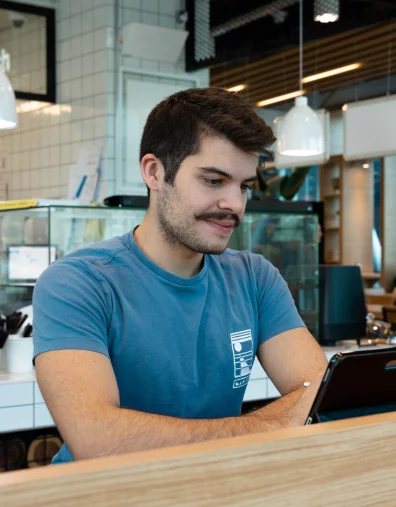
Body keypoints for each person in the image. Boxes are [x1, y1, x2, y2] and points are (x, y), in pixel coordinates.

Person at [33, 88, 328, 465]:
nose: (234, 206)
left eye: (244, 186)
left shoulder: (255, 278)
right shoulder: (77, 283)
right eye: (213, 180)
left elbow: (319, 393)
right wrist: (274, 422)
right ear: (155, 172)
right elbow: (98, 440)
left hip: (212, 489)